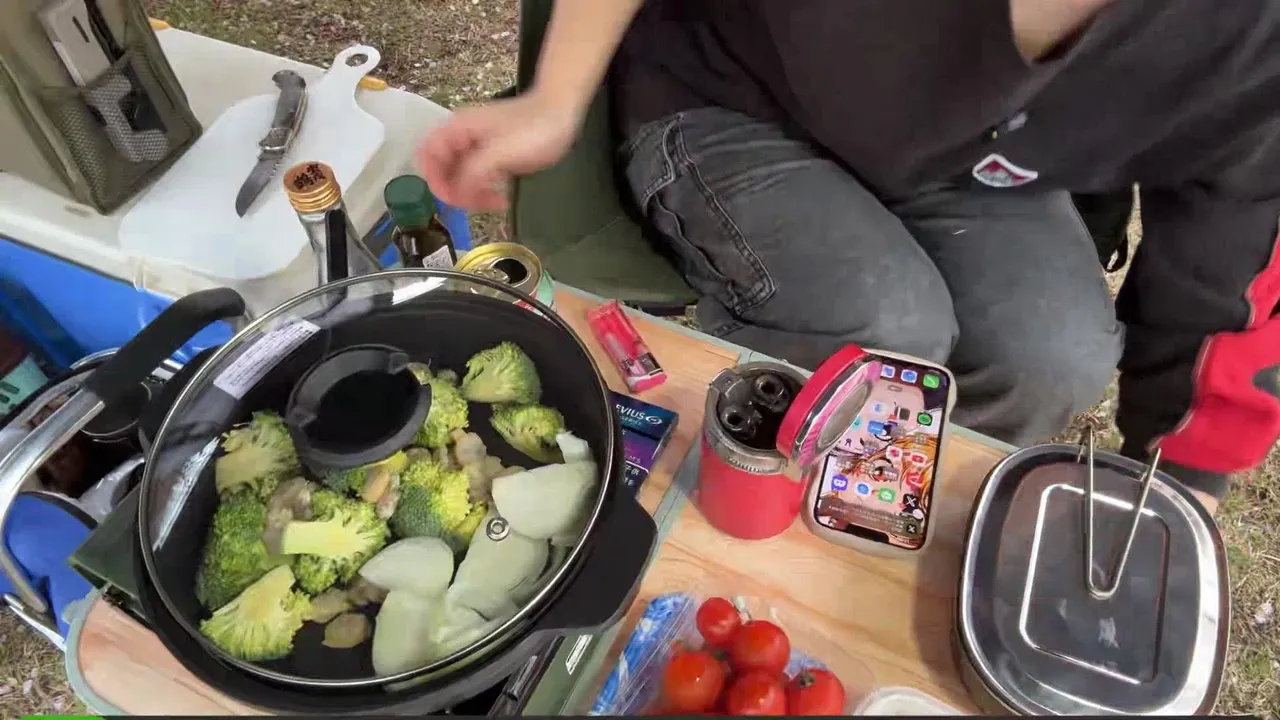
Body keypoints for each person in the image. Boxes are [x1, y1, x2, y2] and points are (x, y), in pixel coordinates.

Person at [419, 0, 1280, 513]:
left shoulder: (1253, 42)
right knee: (883, 327)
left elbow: (1235, 247)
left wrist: (1187, 482)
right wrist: (558, 95)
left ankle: (871, 503)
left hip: (971, 159)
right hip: (728, 88)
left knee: (1055, 357)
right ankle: (745, 478)